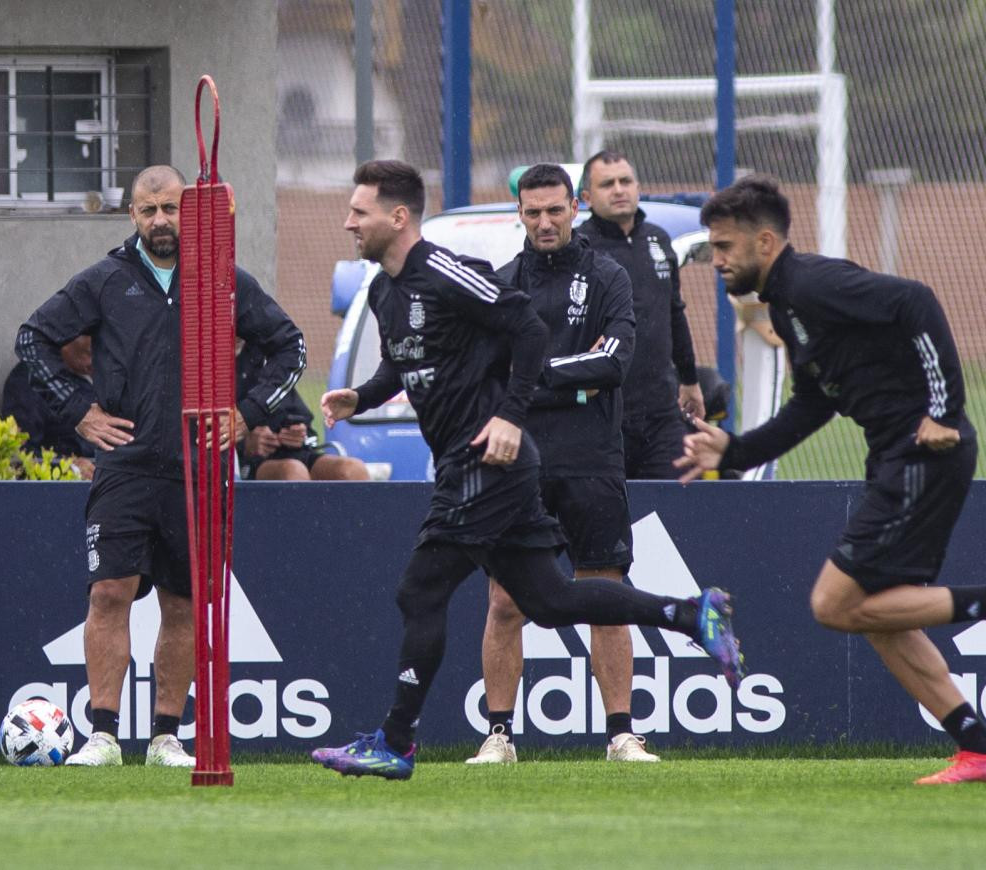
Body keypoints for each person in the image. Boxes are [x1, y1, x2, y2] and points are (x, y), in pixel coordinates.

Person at [311, 159, 742, 780]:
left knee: (420, 589)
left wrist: (512, 413)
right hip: (486, 462)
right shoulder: (383, 289)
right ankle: (690, 614)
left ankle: (396, 742)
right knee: (549, 598)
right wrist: (363, 397)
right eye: (531, 210)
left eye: (358, 212)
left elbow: (524, 328)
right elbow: (407, 365)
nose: (348, 223)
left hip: (490, 462)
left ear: (397, 216)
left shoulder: (449, 272)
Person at [677, 175, 986, 785]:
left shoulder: (813, 283)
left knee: (834, 603)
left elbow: (917, 301)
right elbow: (812, 405)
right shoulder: (786, 305)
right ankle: (985, 752)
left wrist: (944, 410)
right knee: (876, 615)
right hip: (895, 457)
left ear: (765, 242)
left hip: (923, 453)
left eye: (724, 247)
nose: (715, 260)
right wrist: (735, 450)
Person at [15, 165, 306, 767]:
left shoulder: (223, 280)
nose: (160, 221)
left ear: (190, 213)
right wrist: (80, 413)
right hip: (125, 464)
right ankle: (101, 736)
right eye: (148, 211)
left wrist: (247, 412)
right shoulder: (104, 279)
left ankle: (166, 736)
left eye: (171, 208)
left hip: (199, 470)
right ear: (132, 216)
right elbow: (32, 338)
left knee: (182, 604)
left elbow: (292, 347)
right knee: (108, 593)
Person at [468, 164, 652, 765]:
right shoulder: (500, 286)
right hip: (518, 465)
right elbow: (487, 376)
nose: (545, 222)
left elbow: (614, 362)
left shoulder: (608, 276)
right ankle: (498, 735)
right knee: (504, 600)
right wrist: (569, 381)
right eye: (532, 212)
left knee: (606, 593)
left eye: (555, 210)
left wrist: (537, 376)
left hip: (592, 460)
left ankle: (622, 734)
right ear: (518, 213)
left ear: (575, 207)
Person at [577, 150, 704, 479]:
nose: (619, 189)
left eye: (625, 181)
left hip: (661, 413)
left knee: (678, 509)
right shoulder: (580, 249)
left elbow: (674, 312)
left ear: (638, 187)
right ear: (588, 197)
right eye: (607, 184)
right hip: (602, 416)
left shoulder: (658, 240)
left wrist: (689, 380)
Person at [235, 341, 369, 481]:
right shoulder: (218, 364)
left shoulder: (266, 354)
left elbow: (302, 421)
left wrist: (300, 434)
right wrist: (245, 443)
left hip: (295, 452)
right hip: (248, 461)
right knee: (294, 471)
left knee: (353, 469)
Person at [2, 335, 96, 479]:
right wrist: (70, 467)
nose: (96, 362)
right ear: (67, 340)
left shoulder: (84, 377)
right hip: (61, 488)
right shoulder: (29, 380)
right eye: (89, 353)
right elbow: (17, 453)